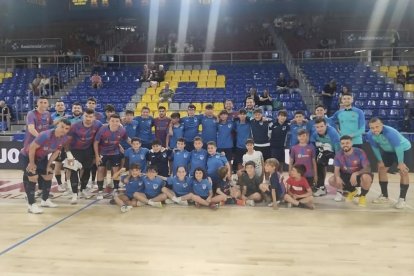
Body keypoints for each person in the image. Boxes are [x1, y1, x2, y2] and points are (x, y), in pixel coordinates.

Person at [20, 119, 71, 214]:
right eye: (62, 127)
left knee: (49, 174)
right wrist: (31, 163)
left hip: (41, 158)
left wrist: (48, 165)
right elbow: (32, 148)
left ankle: (45, 200)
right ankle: (31, 205)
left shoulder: (64, 138)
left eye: (66, 128)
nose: (63, 130)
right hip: (27, 156)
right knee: (33, 177)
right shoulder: (45, 135)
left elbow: (56, 152)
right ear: (57, 125)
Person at [367, 118, 412, 209]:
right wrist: (380, 161)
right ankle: (384, 196)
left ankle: (402, 199)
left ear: (382, 125)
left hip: (403, 149)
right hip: (388, 151)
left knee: (403, 171)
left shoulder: (390, 132)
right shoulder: (369, 135)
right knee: (381, 169)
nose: (374, 130)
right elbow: (375, 148)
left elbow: (398, 147)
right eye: (372, 128)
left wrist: (401, 163)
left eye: (377, 127)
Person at [65, 108, 102, 204]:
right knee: (74, 170)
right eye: (86, 116)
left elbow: (103, 135)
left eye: (90, 116)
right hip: (75, 150)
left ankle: (83, 189)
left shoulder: (98, 124)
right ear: (82, 116)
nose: (88, 118)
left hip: (88, 150)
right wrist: (68, 154)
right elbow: (66, 141)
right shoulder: (74, 126)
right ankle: (74, 194)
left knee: (87, 170)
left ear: (94, 117)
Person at [328, 135, 373, 207]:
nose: (345, 145)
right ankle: (352, 191)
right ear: (340, 144)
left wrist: (356, 173)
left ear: (351, 143)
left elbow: (367, 168)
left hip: (359, 175)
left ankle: (362, 196)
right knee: (332, 180)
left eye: (347, 143)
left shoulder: (360, 152)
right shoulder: (338, 154)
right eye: (343, 143)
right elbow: (336, 170)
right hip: (346, 175)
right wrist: (337, 177)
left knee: (366, 177)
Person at [94, 114, 129, 200]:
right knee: (100, 170)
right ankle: (100, 190)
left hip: (115, 152)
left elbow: (127, 139)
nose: (114, 123)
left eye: (117, 121)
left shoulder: (122, 130)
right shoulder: (102, 129)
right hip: (103, 152)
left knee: (116, 170)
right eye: (112, 121)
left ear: (119, 122)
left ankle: (116, 189)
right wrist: (97, 156)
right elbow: (95, 142)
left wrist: (136, 146)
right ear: (109, 121)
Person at [23, 96, 53, 196]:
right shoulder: (31, 114)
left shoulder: (48, 114)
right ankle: (28, 193)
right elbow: (31, 129)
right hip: (30, 146)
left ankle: (41, 190)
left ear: (48, 104)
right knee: (30, 170)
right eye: (41, 102)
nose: (43, 104)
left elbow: (51, 126)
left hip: (42, 148)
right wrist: (41, 138)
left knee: (42, 169)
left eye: (45, 102)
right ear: (37, 103)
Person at [310, 118, 340, 197]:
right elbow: (312, 146)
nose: (319, 129)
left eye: (321, 126)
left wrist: (337, 161)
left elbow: (337, 147)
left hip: (335, 150)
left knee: (340, 166)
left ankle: (342, 189)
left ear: (326, 125)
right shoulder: (314, 134)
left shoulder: (332, 132)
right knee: (319, 163)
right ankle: (321, 188)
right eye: (317, 127)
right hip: (324, 151)